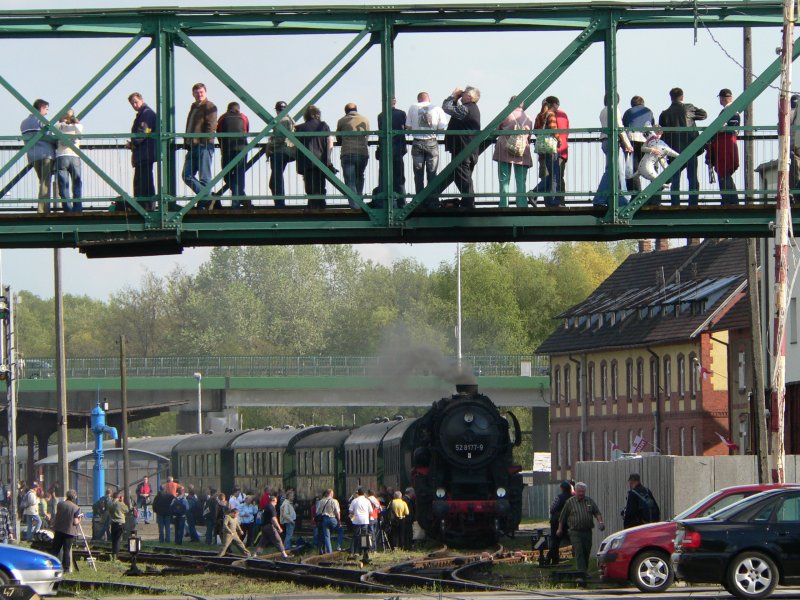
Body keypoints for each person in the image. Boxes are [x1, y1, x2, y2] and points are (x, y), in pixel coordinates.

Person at [658, 87, 707, 206]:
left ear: (671, 97)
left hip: (673, 150)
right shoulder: (688, 108)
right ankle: (693, 203)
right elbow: (704, 115)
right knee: (692, 177)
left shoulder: (664, 114)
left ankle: (675, 203)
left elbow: (662, 134)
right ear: (682, 97)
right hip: (690, 148)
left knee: (675, 178)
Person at [442, 87, 481, 209]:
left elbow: (446, 108)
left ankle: (468, 204)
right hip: (469, 149)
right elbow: (455, 111)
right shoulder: (472, 109)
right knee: (464, 177)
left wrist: (453, 95)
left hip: (463, 150)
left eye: (463, 94)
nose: (461, 95)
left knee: (462, 177)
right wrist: (456, 100)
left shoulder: (466, 108)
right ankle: (467, 202)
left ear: (469, 96)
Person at [406, 91, 448, 201]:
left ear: (418, 99)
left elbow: (408, 126)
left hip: (417, 142)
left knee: (418, 173)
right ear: (429, 99)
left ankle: (419, 200)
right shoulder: (437, 108)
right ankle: (432, 199)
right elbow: (442, 126)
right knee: (432, 173)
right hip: (431, 142)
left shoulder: (413, 107)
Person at [593, 94, 634, 207]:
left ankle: (619, 199)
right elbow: (619, 127)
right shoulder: (615, 109)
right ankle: (601, 198)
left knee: (614, 171)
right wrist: (627, 144)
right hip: (612, 141)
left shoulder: (603, 111)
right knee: (614, 171)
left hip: (605, 141)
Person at [556, 482, 604, 577]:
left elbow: (597, 513)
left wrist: (601, 522)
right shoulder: (570, 502)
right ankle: (581, 574)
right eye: (579, 491)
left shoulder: (589, 501)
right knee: (579, 551)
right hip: (575, 532)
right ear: (576, 491)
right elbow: (562, 517)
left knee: (586, 551)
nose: (581, 493)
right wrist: (559, 529)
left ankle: (584, 571)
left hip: (587, 531)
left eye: (583, 491)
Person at [492, 96, 533, 208]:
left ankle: (504, 204)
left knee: (504, 179)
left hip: (504, 148)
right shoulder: (528, 118)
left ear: (510, 103)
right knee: (521, 180)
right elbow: (529, 135)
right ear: (522, 104)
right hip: (521, 150)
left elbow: (496, 130)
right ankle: (522, 204)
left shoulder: (505, 115)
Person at [182, 83, 218, 207]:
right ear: (193, 94)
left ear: (205, 92)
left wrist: (204, 141)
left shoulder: (209, 106)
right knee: (186, 175)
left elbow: (211, 126)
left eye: (201, 92)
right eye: (197, 92)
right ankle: (207, 198)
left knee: (205, 177)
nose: (199, 94)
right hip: (192, 146)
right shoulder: (194, 107)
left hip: (204, 145)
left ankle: (204, 202)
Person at [20, 99, 57, 214]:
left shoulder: (24, 123)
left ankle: (43, 207)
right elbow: (50, 137)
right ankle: (43, 210)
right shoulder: (42, 121)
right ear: (41, 107)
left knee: (42, 182)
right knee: (45, 183)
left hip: (33, 156)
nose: (47, 112)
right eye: (46, 109)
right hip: (46, 154)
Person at [705, 88, 740, 205]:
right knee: (726, 173)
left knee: (723, 173)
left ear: (723, 98)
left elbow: (720, 128)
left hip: (724, 146)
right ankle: (732, 200)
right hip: (729, 145)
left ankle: (728, 200)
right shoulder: (735, 111)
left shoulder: (728, 111)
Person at [295, 105, 333, 209]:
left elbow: (294, 145)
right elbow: (330, 141)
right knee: (321, 184)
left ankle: (312, 205)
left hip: (306, 161)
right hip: (321, 159)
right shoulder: (323, 125)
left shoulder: (300, 128)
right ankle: (321, 205)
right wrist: (328, 159)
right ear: (318, 114)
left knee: (309, 184)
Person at [127, 93, 158, 211]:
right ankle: (144, 206)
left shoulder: (147, 113)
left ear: (142, 100)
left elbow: (143, 132)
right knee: (142, 181)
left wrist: (133, 143)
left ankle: (146, 207)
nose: (134, 105)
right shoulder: (144, 113)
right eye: (132, 104)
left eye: (136, 102)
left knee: (144, 181)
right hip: (144, 153)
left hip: (145, 153)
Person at [216, 101, 250, 208]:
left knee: (227, 175)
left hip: (227, 150)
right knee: (239, 176)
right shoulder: (244, 117)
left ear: (228, 109)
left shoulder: (222, 118)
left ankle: (240, 199)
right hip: (242, 150)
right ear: (238, 109)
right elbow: (246, 131)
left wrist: (222, 145)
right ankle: (238, 201)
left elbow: (218, 134)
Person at [375, 97, 408, 207]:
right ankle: (401, 202)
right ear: (395, 102)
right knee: (399, 177)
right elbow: (405, 129)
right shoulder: (401, 114)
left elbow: (381, 132)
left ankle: (383, 204)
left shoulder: (381, 115)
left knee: (384, 177)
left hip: (385, 150)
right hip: (398, 148)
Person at [529, 99, 561, 207]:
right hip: (551, 147)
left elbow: (535, 130)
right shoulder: (551, 114)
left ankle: (536, 193)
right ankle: (552, 201)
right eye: (558, 104)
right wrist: (559, 140)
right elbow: (553, 130)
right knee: (554, 175)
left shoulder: (539, 115)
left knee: (551, 175)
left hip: (543, 148)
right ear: (553, 105)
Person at [336, 102, 370, 203]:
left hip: (348, 152)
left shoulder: (342, 121)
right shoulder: (365, 119)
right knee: (360, 176)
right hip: (362, 152)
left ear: (346, 111)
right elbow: (367, 136)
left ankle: (355, 204)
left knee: (350, 180)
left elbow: (338, 137)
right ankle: (360, 201)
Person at [622, 96, 655, 192]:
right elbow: (652, 125)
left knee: (633, 169)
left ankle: (636, 193)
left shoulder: (628, 112)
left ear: (632, 104)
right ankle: (655, 193)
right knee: (649, 166)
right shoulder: (648, 111)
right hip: (646, 141)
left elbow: (623, 126)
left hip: (632, 140)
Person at [53, 108, 83, 212]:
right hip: (75, 156)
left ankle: (67, 209)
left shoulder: (57, 126)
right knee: (77, 183)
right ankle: (77, 208)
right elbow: (80, 133)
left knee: (63, 185)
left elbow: (53, 132)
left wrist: (64, 123)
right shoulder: (77, 126)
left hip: (61, 156)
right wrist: (74, 122)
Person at [268, 101, 296, 207]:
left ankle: (280, 204)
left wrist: (270, 146)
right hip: (285, 151)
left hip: (280, 151)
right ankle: (279, 203)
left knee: (276, 179)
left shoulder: (282, 120)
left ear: (277, 110)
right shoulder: (289, 119)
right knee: (276, 179)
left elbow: (280, 138)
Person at [638, 128, 679, 196]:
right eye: (656, 133)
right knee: (655, 180)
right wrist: (652, 149)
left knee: (655, 182)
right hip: (651, 164)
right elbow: (642, 149)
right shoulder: (650, 142)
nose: (658, 136)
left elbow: (661, 157)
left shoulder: (654, 142)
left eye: (659, 134)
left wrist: (665, 167)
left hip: (653, 163)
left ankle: (656, 196)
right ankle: (662, 187)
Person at [50, 490, 81, 573]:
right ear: (74, 497)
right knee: (66, 550)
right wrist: (79, 519)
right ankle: (66, 568)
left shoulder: (60, 504)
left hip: (59, 529)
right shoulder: (76, 508)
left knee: (55, 549)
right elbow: (75, 522)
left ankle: (51, 565)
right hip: (69, 531)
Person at [546, 96, 570, 195]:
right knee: (559, 178)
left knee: (549, 177)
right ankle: (560, 200)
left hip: (548, 149)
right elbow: (567, 132)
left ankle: (547, 200)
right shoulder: (563, 115)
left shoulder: (546, 114)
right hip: (562, 150)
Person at [547, 480, 573, 565]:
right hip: (569, 522)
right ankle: (575, 558)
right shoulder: (573, 498)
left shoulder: (559, 497)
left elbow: (552, 509)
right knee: (572, 540)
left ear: (562, 488)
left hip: (556, 521)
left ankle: (554, 560)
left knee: (555, 541)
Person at [349, 488, 372, 563]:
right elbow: (371, 511)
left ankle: (355, 551)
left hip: (356, 520)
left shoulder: (354, 500)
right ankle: (364, 552)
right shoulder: (367, 501)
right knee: (364, 536)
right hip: (365, 520)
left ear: (358, 493)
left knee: (356, 535)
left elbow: (350, 510)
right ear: (363, 493)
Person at [317, 488, 343, 554]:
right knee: (340, 531)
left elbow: (318, 512)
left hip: (324, 519)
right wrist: (339, 521)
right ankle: (338, 546)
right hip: (332, 518)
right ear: (331, 494)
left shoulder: (321, 501)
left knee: (326, 536)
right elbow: (337, 512)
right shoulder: (334, 501)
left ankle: (329, 552)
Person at [107, 490, 129, 560]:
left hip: (113, 523)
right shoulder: (119, 504)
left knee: (114, 540)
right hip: (120, 523)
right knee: (118, 540)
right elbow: (126, 509)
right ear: (119, 497)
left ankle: (113, 553)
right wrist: (122, 501)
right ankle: (116, 555)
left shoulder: (110, 503)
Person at [791, 94, 800, 205]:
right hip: (795, 146)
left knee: (795, 174)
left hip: (793, 147)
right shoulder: (795, 113)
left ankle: (795, 195)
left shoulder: (789, 113)